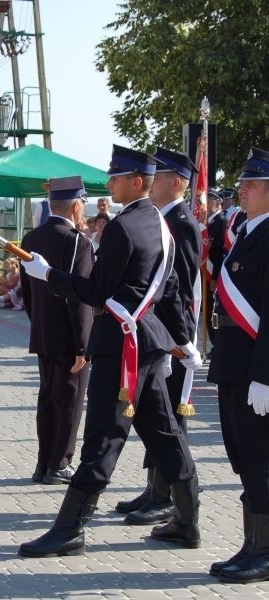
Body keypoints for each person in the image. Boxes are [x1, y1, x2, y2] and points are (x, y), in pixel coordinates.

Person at [19, 145, 202, 558]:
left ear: (138, 182)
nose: (110, 183)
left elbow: (95, 291)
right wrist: (181, 340)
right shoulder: (159, 223)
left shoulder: (122, 228)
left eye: (116, 177)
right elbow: (170, 290)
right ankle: (188, 522)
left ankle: (69, 529)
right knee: (163, 433)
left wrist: (47, 274)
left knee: (102, 437)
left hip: (122, 348)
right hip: (149, 341)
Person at [115, 147, 202, 525]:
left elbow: (176, 289)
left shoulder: (181, 224)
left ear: (177, 183)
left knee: (168, 420)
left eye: (161, 177)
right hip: (160, 334)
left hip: (169, 337)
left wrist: (176, 341)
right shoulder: (162, 219)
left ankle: (166, 496)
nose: (153, 184)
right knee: (156, 417)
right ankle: (155, 488)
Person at [207, 147, 269, 584]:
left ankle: (263, 552)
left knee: (260, 458)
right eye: (243, 183)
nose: (241, 190)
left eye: (251, 184)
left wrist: (265, 376)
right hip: (233, 363)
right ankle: (251, 544)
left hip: (255, 369)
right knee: (244, 458)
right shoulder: (246, 233)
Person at [20, 176, 93, 485]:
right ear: (76, 206)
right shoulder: (78, 241)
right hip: (69, 335)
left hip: (43, 331)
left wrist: (39, 320)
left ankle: (43, 462)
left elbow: (26, 291)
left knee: (48, 398)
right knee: (70, 401)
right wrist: (82, 344)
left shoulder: (31, 238)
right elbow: (80, 298)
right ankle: (59, 463)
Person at [204, 190, 228, 347]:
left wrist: (215, 277)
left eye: (209, 200)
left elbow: (220, 253)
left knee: (213, 311)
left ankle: (217, 343)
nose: (206, 203)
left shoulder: (222, 222)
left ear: (218, 202)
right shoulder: (206, 223)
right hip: (204, 273)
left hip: (214, 274)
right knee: (206, 311)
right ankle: (214, 343)